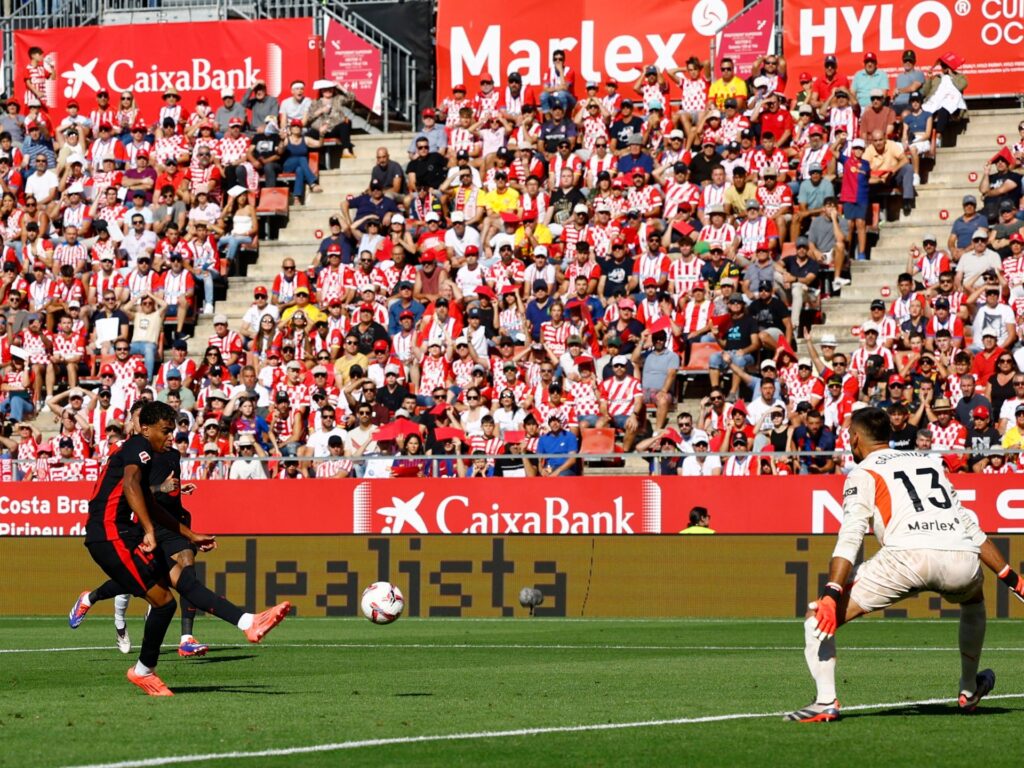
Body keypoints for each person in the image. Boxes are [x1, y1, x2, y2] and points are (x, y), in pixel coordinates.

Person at [785, 407, 1024, 722]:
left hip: (905, 558)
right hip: (960, 558)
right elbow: (969, 526)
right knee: (973, 601)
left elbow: (851, 536)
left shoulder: (863, 471)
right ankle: (968, 689)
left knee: (817, 617)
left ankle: (826, 701)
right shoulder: (929, 462)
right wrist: (1012, 579)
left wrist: (831, 591)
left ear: (855, 439)